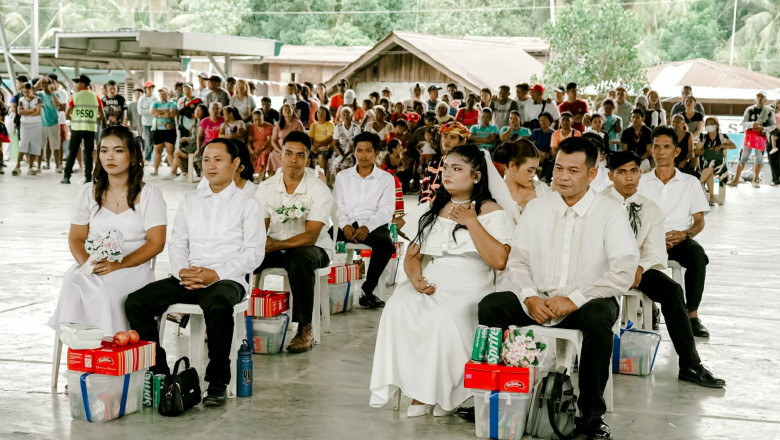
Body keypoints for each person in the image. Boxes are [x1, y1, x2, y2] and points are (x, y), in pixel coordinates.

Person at [479, 137, 639, 440]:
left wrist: (575, 299)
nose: (563, 177)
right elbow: (518, 261)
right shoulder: (538, 208)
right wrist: (529, 297)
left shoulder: (609, 213)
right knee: (491, 305)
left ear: (592, 174)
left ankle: (592, 414)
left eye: (574, 171)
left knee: (600, 317)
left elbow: (623, 271)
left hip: (585, 303)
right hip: (539, 301)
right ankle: (496, 394)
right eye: (559, 168)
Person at [370, 143, 514, 417]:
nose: (447, 174)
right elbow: (413, 255)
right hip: (432, 277)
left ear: (476, 176)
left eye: (457, 169)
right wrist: (415, 279)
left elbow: (499, 261)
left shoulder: (491, 211)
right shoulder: (433, 208)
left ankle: (443, 393)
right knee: (397, 307)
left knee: (442, 315)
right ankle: (417, 389)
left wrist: (472, 221)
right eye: (446, 167)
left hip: (471, 282)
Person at [125, 138, 265, 406]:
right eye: (206, 159)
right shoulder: (190, 201)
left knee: (218, 303)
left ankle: (217, 381)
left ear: (236, 164)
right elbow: (178, 243)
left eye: (218, 159)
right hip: (188, 276)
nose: (210, 165)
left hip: (228, 278)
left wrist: (215, 274)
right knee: (136, 302)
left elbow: (253, 254)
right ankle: (159, 370)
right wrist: (182, 272)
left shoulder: (249, 205)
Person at [604, 151, 725, 388]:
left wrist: (639, 267)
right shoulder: (597, 203)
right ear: (611, 176)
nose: (629, 177)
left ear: (640, 173)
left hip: (638, 268)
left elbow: (655, 250)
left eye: (633, 171)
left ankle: (690, 364)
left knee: (671, 290)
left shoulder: (651, 208)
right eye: (621, 172)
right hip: (602, 267)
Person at [49, 126, 166, 336]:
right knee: (73, 280)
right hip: (94, 264)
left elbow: (156, 243)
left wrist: (117, 264)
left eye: (118, 150)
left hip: (132, 267)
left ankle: (112, 353)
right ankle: (82, 350)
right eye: (104, 150)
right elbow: (76, 237)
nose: (109, 156)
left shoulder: (149, 194)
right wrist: (87, 264)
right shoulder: (88, 192)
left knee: (105, 291)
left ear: (132, 156)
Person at [255, 131, 333, 353]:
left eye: (300, 155)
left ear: (308, 160)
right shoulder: (267, 187)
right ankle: (229, 313)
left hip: (313, 249)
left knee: (300, 257)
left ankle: (304, 327)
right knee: (244, 256)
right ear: (281, 156)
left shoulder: (318, 189)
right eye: (289, 153)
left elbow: (310, 236)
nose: (294, 160)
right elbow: (260, 228)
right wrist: (260, 244)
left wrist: (275, 245)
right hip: (276, 245)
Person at [638, 126, 711, 338]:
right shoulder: (641, 182)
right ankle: (649, 309)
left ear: (676, 152)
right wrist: (649, 238)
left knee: (698, 256)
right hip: (647, 241)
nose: (661, 151)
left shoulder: (690, 183)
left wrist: (686, 234)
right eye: (657, 146)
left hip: (678, 240)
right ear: (651, 150)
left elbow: (699, 221)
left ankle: (692, 315)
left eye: (666, 147)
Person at [333, 132, 395, 309]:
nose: (363, 155)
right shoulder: (343, 177)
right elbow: (337, 206)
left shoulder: (386, 179)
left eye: (368, 151)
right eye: (359, 150)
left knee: (385, 245)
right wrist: (344, 225)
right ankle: (321, 288)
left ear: (376, 153)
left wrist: (367, 227)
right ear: (354, 152)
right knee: (320, 239)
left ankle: (367, 291)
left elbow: (386, 210)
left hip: (373, 224)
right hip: (347, 223)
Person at [730, 91, 776, 188]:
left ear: (765, 99)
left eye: (762, 97)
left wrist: (764, 128)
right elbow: (743, 123)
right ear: (755, 98)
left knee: (759, 159)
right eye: (758, 96)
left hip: (762, 137)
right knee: (743, 157)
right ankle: (736, 180)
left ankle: (755, 180)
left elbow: (773, 125)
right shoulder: (749, 109)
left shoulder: (769, 111)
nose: (759, 98)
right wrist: (752, 124)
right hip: (750, 136)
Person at [62, 75, 103, 184]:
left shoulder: (74, 97)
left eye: (77, 83)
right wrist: (92, 119)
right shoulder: (96, 97)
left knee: (72, 152)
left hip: (77, 128)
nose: (75, 85)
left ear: (83, 84)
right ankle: (88, 178)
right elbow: (102, 116)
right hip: (90, 129)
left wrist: (75, 118)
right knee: (88, 153)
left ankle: (66, 177)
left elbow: (66, 114)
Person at [493, 140, 550, 215]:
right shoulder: (496, 195)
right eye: (530, 170)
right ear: (512, 166)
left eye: (535, 169)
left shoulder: (542, 189)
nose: (534, 174)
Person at [419, 121, 470, 202]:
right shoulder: (433, 165)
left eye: (452, 137)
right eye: (444, 136)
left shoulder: (469, 165)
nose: (447, 140)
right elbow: (425, 193)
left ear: (462, 142)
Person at [697, 116, 736, 204]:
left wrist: (722, 146)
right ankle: (711, 196)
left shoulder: (722, 136)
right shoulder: (703, 137)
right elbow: (697, 151)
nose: (709, 125)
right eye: (707, 124)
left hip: (719, 163)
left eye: (711, 124)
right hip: (705, 162)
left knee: (712, 164)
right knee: (710, 168)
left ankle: (699, 185)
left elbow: (733, 146)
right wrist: (705, 150)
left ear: (716, 126)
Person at [11, 83, 43, 176]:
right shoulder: (21, 100)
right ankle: (17, 166)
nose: (26, 94)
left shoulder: (38, 99)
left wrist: (26, 112)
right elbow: (19, 112)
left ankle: (30, 167)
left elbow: (38, 112)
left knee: (34, 145)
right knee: (23, 145)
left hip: (36, 124)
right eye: (24, 92)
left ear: (32, 90)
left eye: (27, 92)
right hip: (24, 125)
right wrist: (31, 110)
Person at [32, 77, 62, 172]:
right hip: (42, 124)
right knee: (40, 146)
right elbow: (32, 91)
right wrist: (40, 80)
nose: (43, 86)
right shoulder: (40, 94)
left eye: (45, 83)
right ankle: (39, 167)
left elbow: (57, 104)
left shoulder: (56, 94)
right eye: (42, 84)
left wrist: (52, 92)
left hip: (53, 123)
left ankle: (57, 166)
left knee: (55, 146)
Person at [267, 104, 305, 177]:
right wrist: (280, 150)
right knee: (272, 155)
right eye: (285, 110)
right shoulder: (278, 124)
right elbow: (273, 140)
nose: (287, 111)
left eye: (289, 110)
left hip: (294, 149)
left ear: (292, 111)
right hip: (280, 150)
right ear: (282, 112)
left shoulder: (297, 123)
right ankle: (274, 179)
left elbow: (302, 138)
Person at [172, 103, 207, 182]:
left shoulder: (202, 122)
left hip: (197, 145)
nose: (197, 112)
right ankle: (183, 172)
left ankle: (184, 173)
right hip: (194, 144)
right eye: (196, 110)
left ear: (204, 112)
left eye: (199, 110)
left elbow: (197, 138)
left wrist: (187, 139)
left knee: (177, 153)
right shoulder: (195, 123)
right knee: (180, 148)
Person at [150, 88, 179, 178]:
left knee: (170, 151)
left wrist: (160, 113)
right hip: (158, 129)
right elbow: (153, 113)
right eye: (160, 94)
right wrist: (165, 111)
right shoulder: (155, 103)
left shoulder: (172, 103)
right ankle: (155, 170)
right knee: (157, 150)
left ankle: (173, 171)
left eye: (164, 94)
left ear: (168, 94)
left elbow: (171, 114)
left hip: (170, 130)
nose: (162, 96)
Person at [330, 106, 362, 175]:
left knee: (345, 166)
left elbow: (356, 144)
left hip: (352, 151)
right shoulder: (338, 127)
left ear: (351, 115)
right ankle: (338, 184)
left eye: (348, 114)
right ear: (341, 117)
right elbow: (334, 143)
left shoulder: (356, 127)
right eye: (344, 115)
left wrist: (345, 155)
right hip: (339, 151)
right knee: (336, 166)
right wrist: (341, 155)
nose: (346, 116)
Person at [248, 109, 275, 177]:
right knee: (248, 155)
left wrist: (260, 149)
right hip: (255, 148)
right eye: (255, 120)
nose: (257, 122)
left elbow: (269, 140)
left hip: (266, 147)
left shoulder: (269, 126)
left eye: (259, 119)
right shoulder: (251, 127)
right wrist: (251, 150)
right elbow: (249, 141)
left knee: (264, 154)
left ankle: (261, 177)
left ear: (263, 118)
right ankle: (249, 177)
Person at [138, 81, 157, 161]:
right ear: (145, 89)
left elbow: (156, 110)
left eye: (151, 88)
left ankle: (148, 158)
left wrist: (150, 111)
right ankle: (146, 158)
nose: (150, 89)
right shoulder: (141, 99)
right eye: (148, 88)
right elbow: (140, 111)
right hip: (146, 123)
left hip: (154, 123)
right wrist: (150, 111)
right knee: (148, 142)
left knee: (153, 142)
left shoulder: (155, 98)